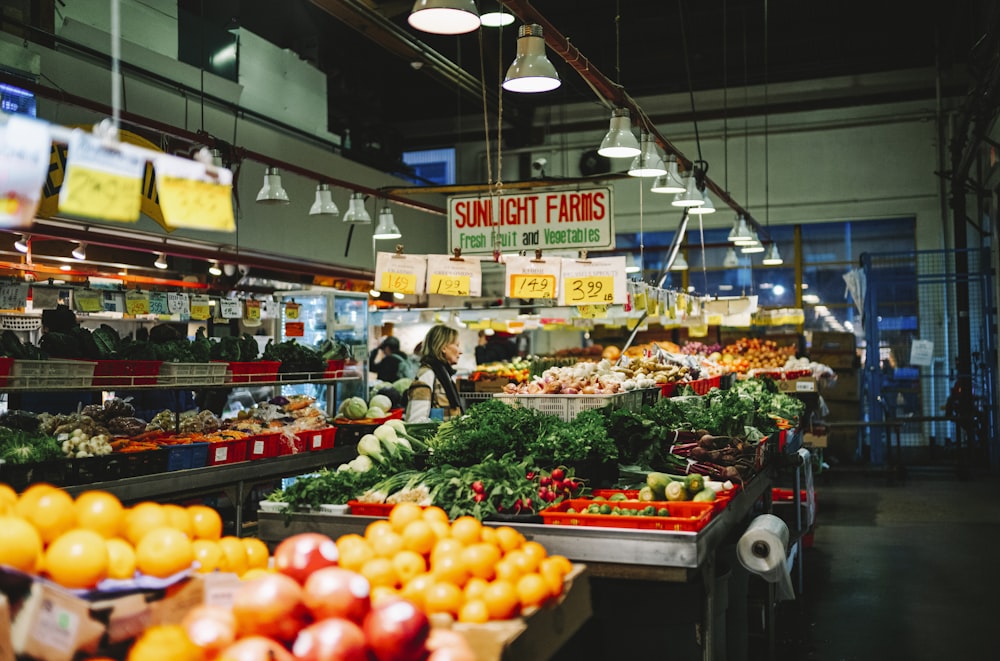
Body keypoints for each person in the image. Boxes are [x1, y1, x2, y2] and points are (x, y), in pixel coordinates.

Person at [405, 325, 463, 422]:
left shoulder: (443, 374)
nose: (461, 351)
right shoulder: (427, 375)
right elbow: (415, 421)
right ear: (443, 348)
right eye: (457, 345)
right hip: (434, 437)